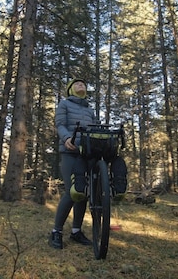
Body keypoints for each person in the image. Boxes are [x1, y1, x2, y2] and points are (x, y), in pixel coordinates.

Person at [49, 78, 128, 250]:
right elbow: (60, 124)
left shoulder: (89, 109)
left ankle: (76, 231)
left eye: (83, 84)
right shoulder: (64, 104)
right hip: (70, 151)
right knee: (72, 192)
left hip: (87, 152)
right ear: (70, 89)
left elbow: (96, 128)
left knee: (83, 192)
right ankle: (56, 232)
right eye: (77, 84)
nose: (81, 85)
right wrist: (66, 138)